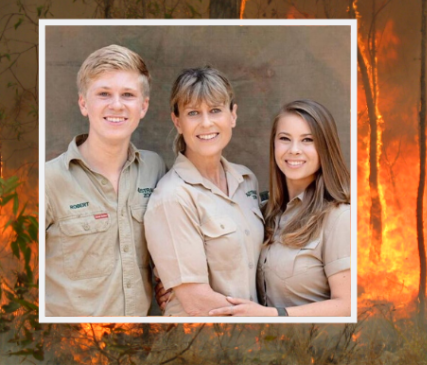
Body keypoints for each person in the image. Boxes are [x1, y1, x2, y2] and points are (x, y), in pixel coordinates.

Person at [45, 44, 166, 316]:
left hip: (137, 345)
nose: (116, 105)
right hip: (72, 347)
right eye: (103, 94)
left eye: (128, 94)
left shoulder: (155, 170)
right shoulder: (48, 181)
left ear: (143, 106)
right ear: (83, 104)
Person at [209, 99, 351, 317]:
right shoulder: (262, 212)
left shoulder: (339, 216)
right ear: (274, 144)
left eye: (307, 140)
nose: (294, 150)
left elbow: (347, 306)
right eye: (285, 139)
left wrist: (275, 316)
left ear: (325, 146)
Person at [144, 67, 264, 316]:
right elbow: (197, 302)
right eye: (193, 113)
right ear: (177, 122)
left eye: (215, 110)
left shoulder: (247, 180)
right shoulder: (172, 197)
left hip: (252, 340)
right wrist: (268, 321)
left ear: (233, 115)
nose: (206, 123)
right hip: (202, 342)